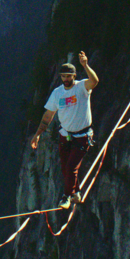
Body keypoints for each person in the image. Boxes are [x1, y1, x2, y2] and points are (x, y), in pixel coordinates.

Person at [29, 51, 99, 209]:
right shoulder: (57, 93)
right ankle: (76, 193)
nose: (66, 79)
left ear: (74, 75)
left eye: (68, 76)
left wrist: (85, 65)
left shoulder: (82, 87)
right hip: (65, 136)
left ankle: (66, 196)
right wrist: (37, 135)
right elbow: (48, 116)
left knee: (71, 167)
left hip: (82, 136)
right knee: (66, 168)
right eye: (63, 76)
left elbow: (94, 81)